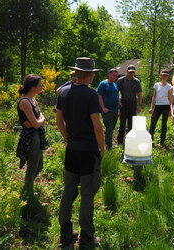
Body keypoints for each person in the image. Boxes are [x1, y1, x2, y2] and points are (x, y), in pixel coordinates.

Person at [56, 57, 105, 249]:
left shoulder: (64, 92)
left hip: (72, 150)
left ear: (76, 72)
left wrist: (68, 139)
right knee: (86, 195)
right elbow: (97, 127)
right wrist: (102, 148)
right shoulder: (91, 95)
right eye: (93, 73)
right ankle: (86, 237)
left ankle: (65, 234)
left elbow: (59, 122)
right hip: (88, 152)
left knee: (68, 191)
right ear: (91, 74)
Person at [16, 74, 48, 198]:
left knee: (39, 166)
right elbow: (35, 123)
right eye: (40, 85)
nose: (42, 87)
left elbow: (34, 122)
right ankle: (27, 195)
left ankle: (26, 188)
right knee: (32, 167)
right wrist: (42, 119)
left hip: (36, 135)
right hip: (30, 138)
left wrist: (37, 121)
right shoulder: (25, 102)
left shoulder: (33, 100)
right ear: (33, 87)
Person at [116, 65, 142, 144]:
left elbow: (139, 94)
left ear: (134, 72)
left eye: (133, 72)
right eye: (130, 72)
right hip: (123, 103)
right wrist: (118, 104)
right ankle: (120, 142)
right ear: (127, 71)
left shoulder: (137, 81)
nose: (131, 74)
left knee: (131, 124)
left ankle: (129, 141)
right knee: (122, 124)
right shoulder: (120, 80)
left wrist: (139, 105)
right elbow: (116, 93)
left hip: (133, 104)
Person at [97, 68, 119, 150]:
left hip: (115, 110)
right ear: (109, 74)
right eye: (113, 75)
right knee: (109, 127)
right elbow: (98, 95)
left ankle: (106, 142)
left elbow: (117, 96)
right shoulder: (103, 83)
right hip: (107, 110)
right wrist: (103, 108)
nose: (115, 77)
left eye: (116, 76)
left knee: (112, 127)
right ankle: (108, 146)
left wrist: (119, 108)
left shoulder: (115, 84)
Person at [148, 69, 172, 146]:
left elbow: (170, 98)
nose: (164, 76)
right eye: (163, 75)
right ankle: (150, 140)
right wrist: (151, 107)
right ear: (160, 76)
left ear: (167, 76)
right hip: (157, 106)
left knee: (164, 124)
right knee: (153, 123)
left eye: (166, 75)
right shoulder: (156, 85)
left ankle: (162, 142)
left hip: (166, 106)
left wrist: (171, 110)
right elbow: (154, 96)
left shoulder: (169, 86)